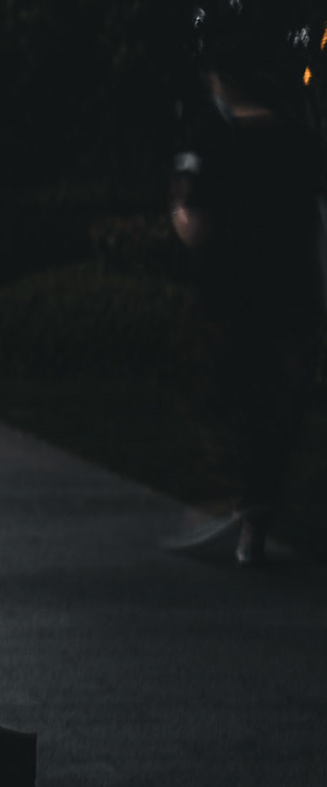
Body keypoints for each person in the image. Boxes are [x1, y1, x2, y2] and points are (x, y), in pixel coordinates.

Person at [165, 7, 323, 565]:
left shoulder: (216, 141)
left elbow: (195, 224)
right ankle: (253, 518)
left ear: (224, 81)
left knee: (224, 398)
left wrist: (179, 208)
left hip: (231, 297)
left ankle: (239, 500)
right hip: (293, 297)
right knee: (274, 407)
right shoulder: (300, 141)